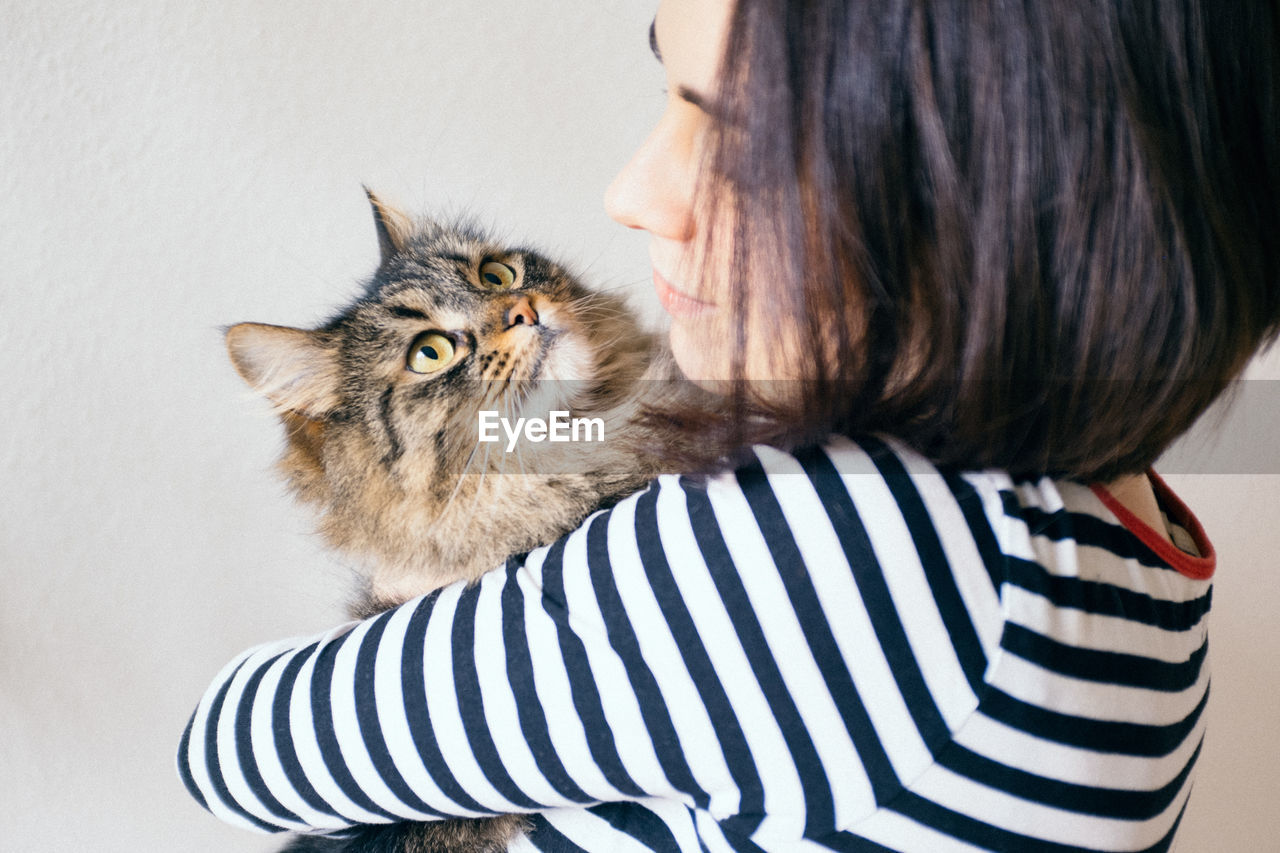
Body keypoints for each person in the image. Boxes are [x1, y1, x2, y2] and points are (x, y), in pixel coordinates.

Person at [178, 0, 1279, 850]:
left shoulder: (852, 546)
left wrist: (424, 589)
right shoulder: (1098, 529)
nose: (634, 191)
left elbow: (232, 749)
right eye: (666, 89)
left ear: (993, 182)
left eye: (737, 132)